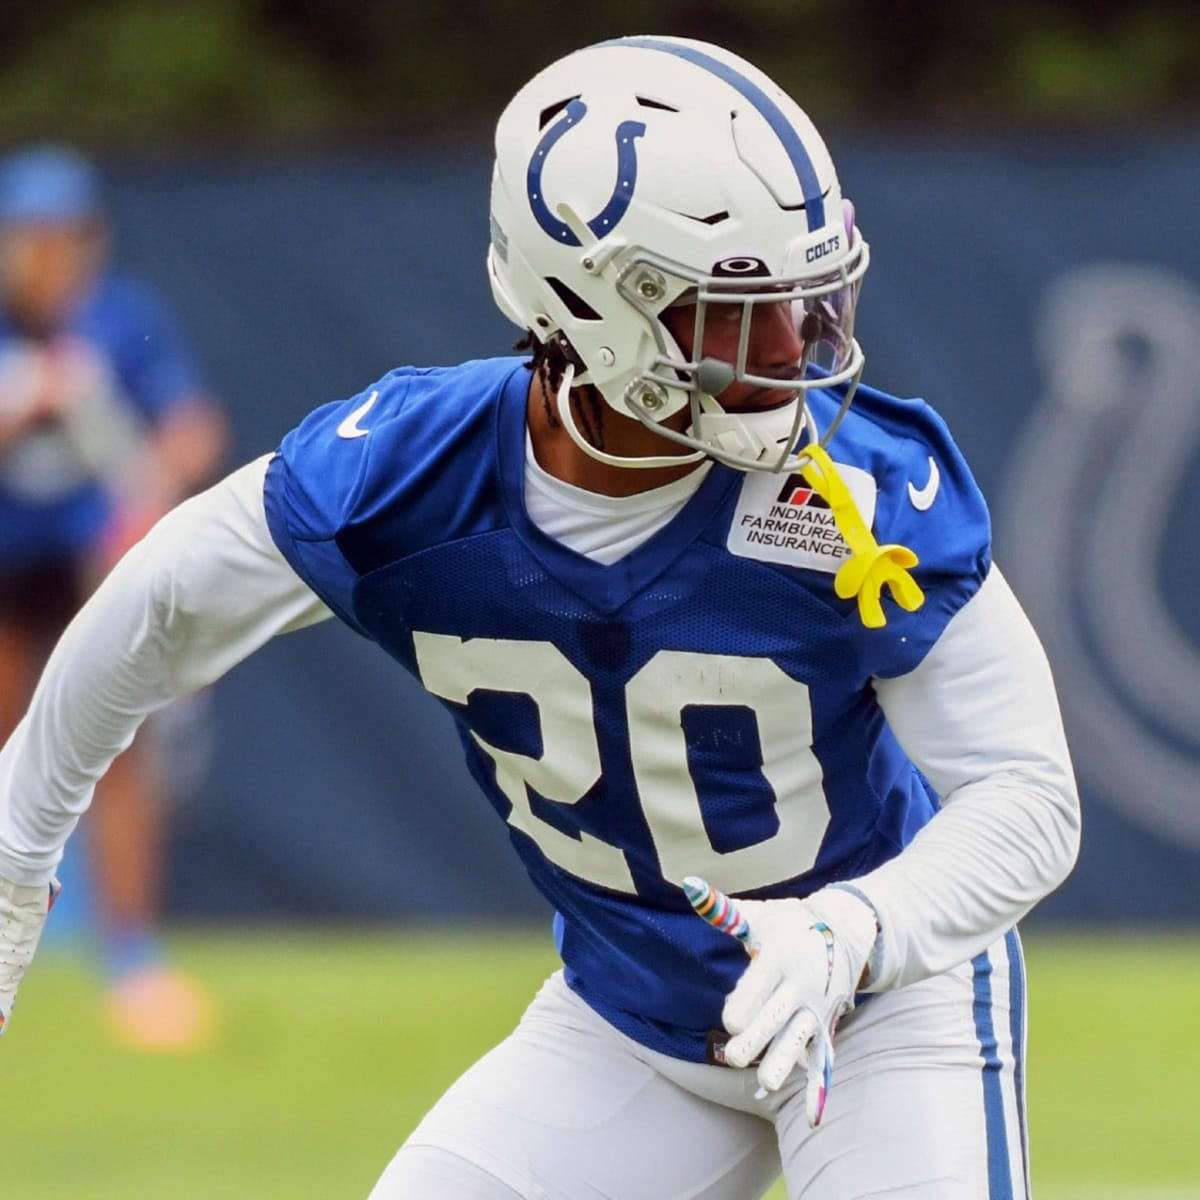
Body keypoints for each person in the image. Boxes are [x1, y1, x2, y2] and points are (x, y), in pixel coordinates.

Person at [0, 37, 1079, 1199]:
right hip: (631, 1025)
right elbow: (153, 607)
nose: (794, 350)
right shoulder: (409, 476)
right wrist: (17, 850)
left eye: (806, 300)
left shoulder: (856, 496)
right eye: (738, 315)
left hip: (881, 1011)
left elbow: (1028, 799)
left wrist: (856, 928)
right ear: (596, 309)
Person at [0, 143, 229, 1052]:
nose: (56, 257)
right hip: (5, 572)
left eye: (72, 238)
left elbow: (190, 428)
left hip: (92, 576)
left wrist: (143, 500)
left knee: (115, 752)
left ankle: (131, 959)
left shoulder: (123, 318)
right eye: (37, 238)